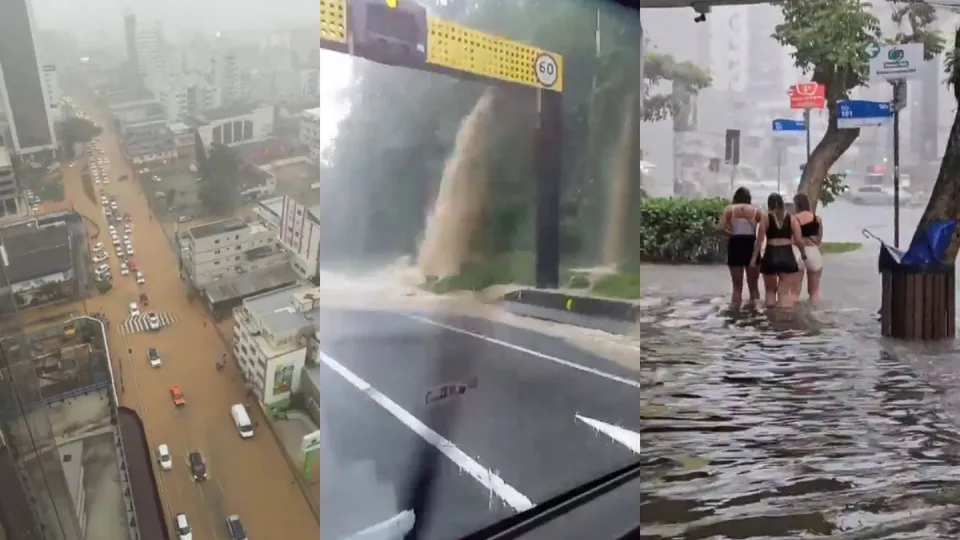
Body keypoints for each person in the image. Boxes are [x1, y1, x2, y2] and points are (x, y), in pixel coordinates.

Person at [750, 193, 808, 308]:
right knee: (784, 293)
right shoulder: (792, 218)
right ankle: (782, 319)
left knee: (770, 291)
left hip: (770, 255)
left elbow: (759, 240)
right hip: (787, 256)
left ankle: (770, 319)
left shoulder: (766, 217)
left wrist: (753, 258)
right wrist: (803, 253)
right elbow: (799, 240)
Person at [715, 187, 762, 305]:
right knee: (754, 287)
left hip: (735, 243)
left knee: (737, 286)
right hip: (751, 244)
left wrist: (730, 233)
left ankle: (735, 313)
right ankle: (755, 313)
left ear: (735, 198)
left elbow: (720, 227)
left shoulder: (729, 210)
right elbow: (765, 228)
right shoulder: (756, 210)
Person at [792, 193, 823, 301]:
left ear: (797, 205)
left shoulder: (793, 219)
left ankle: (795, 314)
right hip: (813, 251)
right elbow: (819, 239)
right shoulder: (817, 219)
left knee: (795, 290)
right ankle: (814, 313)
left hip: (797, 252)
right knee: (814, 291)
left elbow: (792, 237)